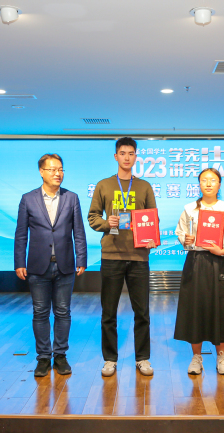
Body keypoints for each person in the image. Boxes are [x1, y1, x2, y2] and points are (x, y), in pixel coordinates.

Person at [87, 137, 157, 377]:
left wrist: (152, 238)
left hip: (139, 256)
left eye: (131, 153)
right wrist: (108, 223)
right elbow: (93, 217)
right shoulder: (104, 185)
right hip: (112, 255)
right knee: (109, 312)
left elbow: (152, 218)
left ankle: (142, 358)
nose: (127, 157)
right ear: (116, 156)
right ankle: (110, 359)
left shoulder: (144, 186)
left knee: (142, 312)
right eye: (123, 153)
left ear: (136, 157)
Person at [14, 153, 87, 377]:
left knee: (63, 312)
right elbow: (21, 233)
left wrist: (81, 258)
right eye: (53, 169)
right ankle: (43, 358)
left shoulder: (71, 198)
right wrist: (19, 262)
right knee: (40, 312)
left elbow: (79, 231)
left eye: (61, 169)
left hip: (65, 264)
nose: (58, 173)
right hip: (37, 266)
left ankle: (61, 356)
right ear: (41, 172)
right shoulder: (28, 199)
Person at [174, 168, 224, 375]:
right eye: (204, 180)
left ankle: (221, 357)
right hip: (196, 262)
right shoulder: (189, 209)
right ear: (199, 184)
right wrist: (185, 239)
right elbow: (181, 232)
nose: (209, 183)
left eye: (213, 180)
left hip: (219, 262)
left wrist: (223, 250)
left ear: (219, 184)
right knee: (195, 308)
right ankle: (196, 357)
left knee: (221, 308)